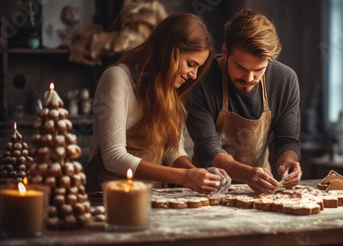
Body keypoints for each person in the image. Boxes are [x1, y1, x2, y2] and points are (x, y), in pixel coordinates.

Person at [86, 13, 227, 194]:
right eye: (191, 64)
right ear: (168, 51)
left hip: (153, 194)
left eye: (198, 67)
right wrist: (185, 177)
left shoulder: (171, 89)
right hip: (109, 193)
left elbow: (172, 151)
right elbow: (114, 157)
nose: (194, 74)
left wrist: (197, 173)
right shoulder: (118, 78)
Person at [186, 8, 302, 194]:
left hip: (259, 189)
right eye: (240, 67)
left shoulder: (285, 80)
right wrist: (247, 174)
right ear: (225, 51)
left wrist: (287, 162)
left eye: (259, 70)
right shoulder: (201, 79)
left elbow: (287, 139)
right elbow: (207, 148)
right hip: (207, 186)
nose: (249, 78)